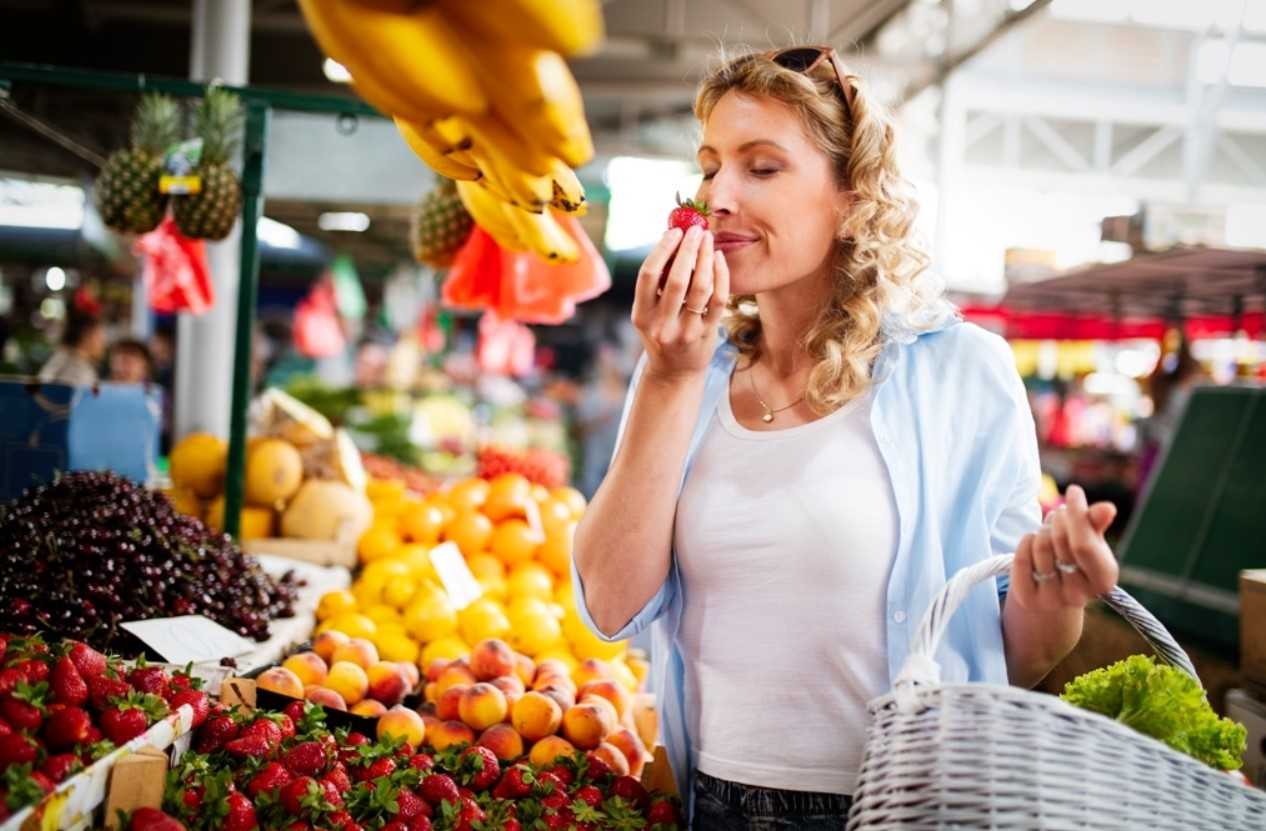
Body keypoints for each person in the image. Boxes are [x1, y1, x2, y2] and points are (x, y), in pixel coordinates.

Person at [572, 47, 1121, 829]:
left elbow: (1019, 652)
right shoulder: (683, 369)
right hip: (711, 803)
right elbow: (609, 603)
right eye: (709, 167)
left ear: (853, 199)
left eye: (761, 168)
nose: (717, 196)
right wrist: (665, 377)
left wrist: (1054, 593)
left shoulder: (962, 372)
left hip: (903, 806)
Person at [39, 313, 105, 386]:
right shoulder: (81, 372)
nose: (102, 342)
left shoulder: (59, 357)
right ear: (86, 335)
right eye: (99, 336)